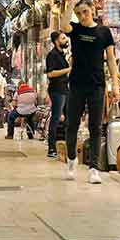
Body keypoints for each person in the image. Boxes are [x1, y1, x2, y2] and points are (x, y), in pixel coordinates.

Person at [63, 0, 120, 185]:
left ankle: (93, 168)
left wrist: (115, 84)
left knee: (95, 127)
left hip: (97, 85)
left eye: (85, 12)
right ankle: (71, 159)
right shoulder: (76, 29)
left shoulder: (104, 32)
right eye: (79, 14)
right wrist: (70, 4)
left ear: (93, 10)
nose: (82, 16)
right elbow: (64, 26)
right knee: (71, 125)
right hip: (77, 84)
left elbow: (111, 59)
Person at [45, 31, 71, 159]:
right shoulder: (52, 55)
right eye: (63, 38)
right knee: (55, 119)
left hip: (65, 89)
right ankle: (51, 148)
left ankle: (67, 147)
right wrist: (68, 69)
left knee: (68, 119)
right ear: (56, 41)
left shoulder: (61, 54)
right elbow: (50, 74)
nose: (66, 40)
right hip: (57, 90)